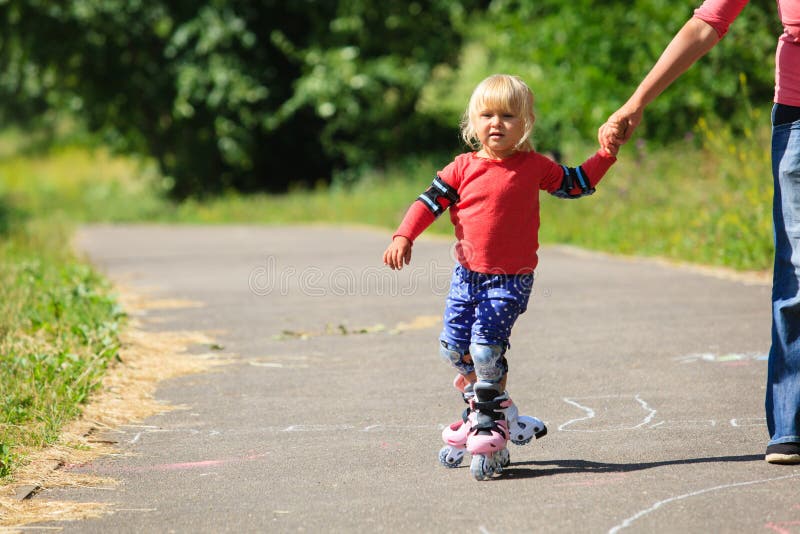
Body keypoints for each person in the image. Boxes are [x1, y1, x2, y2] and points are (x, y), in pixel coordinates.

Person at [383, 74, 618, 480]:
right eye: (487, 115)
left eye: (508, 116)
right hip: (467, 276)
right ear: (472, 122)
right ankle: (495, 404)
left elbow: (576, 184)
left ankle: (489, 414)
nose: (496, 123)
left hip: (511, 279)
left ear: (525, 122)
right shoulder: (461, 168)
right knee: (452, 349)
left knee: (486, 350)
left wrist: (606, 154)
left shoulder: (533, 166)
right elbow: (428, 203)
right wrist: (405, 234)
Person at [599, 0, 800, 465]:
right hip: (797, 115)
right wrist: (636, 102)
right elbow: (710, 21)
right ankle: (791, 424)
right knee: (796, 273)